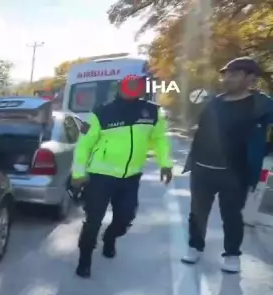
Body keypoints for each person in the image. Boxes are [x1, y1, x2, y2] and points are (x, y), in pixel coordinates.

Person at [72, 76, 174, 278]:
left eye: (137, 87)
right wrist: (78, 173)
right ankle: (85, 259)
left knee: (125, 218)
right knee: (93, 220)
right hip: (100, 176)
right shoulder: (102, 111)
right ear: (119, 88)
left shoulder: (153, 112)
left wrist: (166, 164)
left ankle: (110, 238)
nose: (132, 90)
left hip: (130, 177)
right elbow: (84, 144)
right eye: (128, 87)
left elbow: (160, 139)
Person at [181, 57, 273, 273]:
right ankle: (195, 247)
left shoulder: (263, 105)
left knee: (232, 216)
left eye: (234, 74)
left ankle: (232, 255)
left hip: (236, 174)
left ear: (250, 78)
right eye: (226, 74)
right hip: (202, 169)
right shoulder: (214, 101)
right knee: (197, 213)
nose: (227, 78)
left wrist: (265, 150)